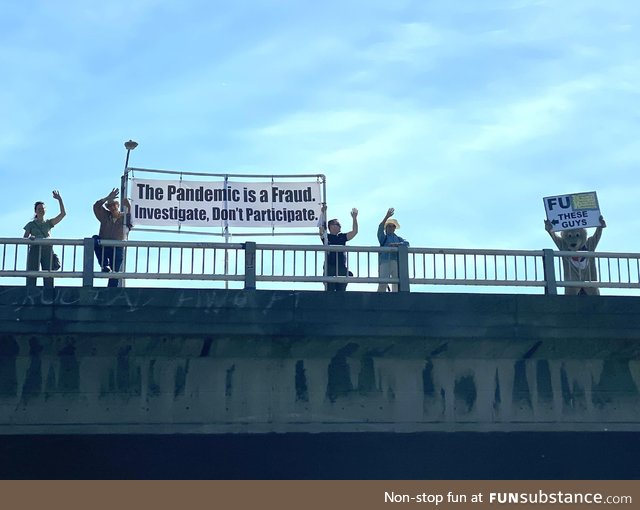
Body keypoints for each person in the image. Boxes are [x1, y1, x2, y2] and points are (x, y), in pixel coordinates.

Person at [544, 215, 606, 295]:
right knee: (570, 300)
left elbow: (596, 236)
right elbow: (555, 237)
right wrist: (550, 230)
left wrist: (600, 226)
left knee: (594, 298)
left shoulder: (589, 245)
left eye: (577, 235)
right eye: (569, 236)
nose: (573, 239)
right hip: (572, 282)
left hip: (589, 280)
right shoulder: (564, 246)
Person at [23, 190, 66, 287]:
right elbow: (24, 239)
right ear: (35, 211)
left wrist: (59, 199)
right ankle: (30, 294)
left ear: (45, 210)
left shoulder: (48, 223)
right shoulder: (31, 224)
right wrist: (31, 238)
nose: (41, 210)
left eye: (42, 208)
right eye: (39, 209)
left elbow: (63, 214)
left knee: (48, 275)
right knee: (31, 274)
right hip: (35, 249)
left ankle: (48, 295)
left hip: (47, 249)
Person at [93, 188, 132, 288]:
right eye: (110, 206)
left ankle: (110, 292)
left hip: (118, 247)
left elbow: (132, 221)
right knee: (94, 239)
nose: (112, 207)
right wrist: (107, 198)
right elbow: (96, 206)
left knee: (115, 274)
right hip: (105, 246)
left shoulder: (124, 218)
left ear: (118, 205)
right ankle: (104, 265)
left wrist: (129, 206)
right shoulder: (105, 216)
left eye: (114, 204)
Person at [319, 205, 358, 291]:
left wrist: (354, 218)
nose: (338, 226)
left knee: (341, 292)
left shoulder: (342, 237)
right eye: (336, 224)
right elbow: (321, 231)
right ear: (330, 227)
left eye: (338, 224)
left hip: (341, 267)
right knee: (330, 291)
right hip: (330, 267)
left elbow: (354, 232)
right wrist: (322, 213)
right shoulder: (327, 237)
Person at [377, 207, 409, 292]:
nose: (391, 228)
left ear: (395, 228)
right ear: (386, 228)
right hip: (384, 261)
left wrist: (397, 244)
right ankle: (379, 297)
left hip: (395, 261)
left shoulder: (398, 238)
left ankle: (396, 297)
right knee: (383, 282)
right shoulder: (383, 237)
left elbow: (407, 243)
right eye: (389, 226)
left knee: (396, 282)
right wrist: (386, 216)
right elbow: (380, 229)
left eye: (393, 226)